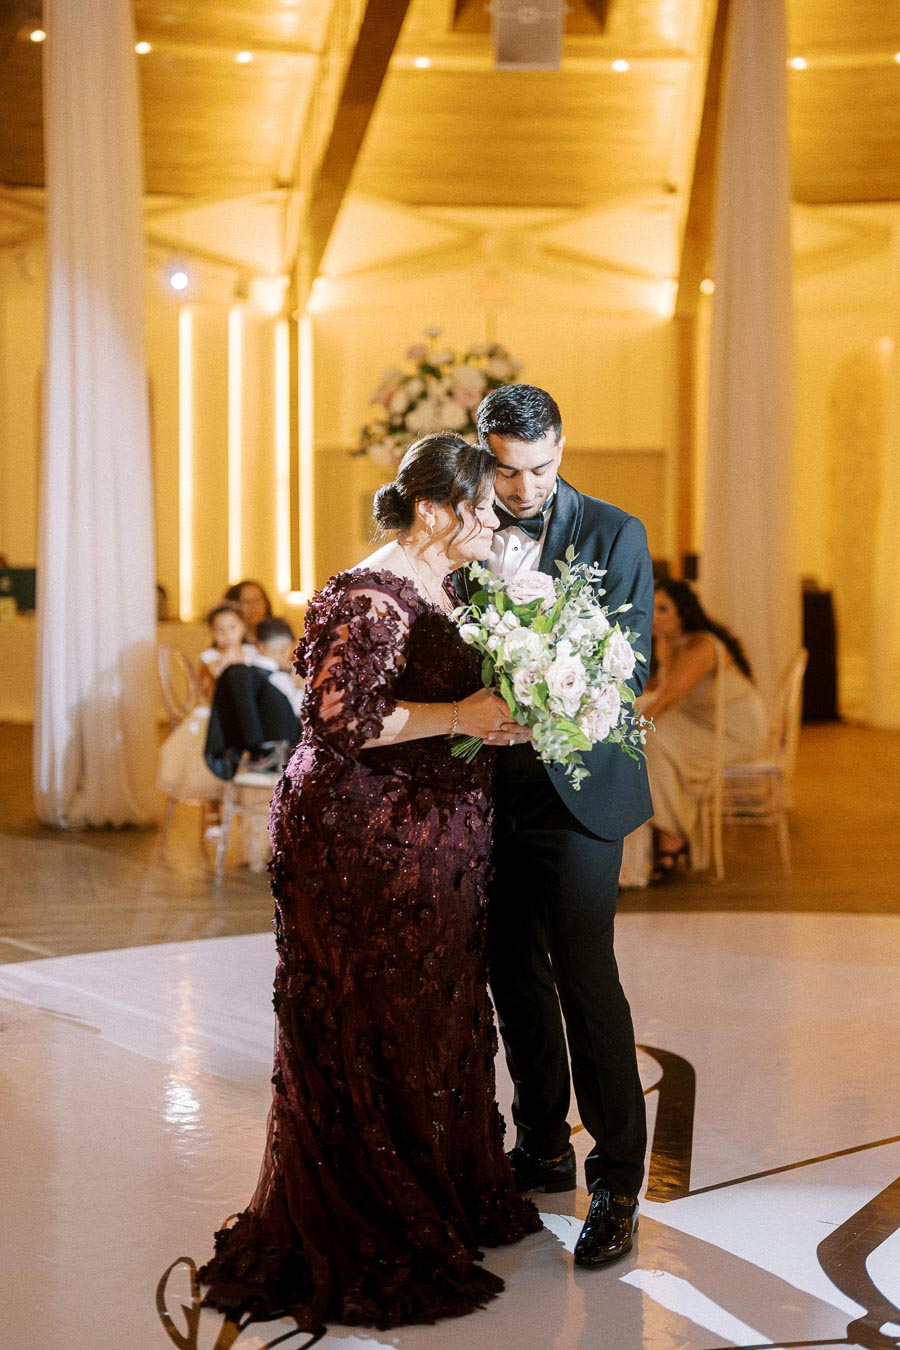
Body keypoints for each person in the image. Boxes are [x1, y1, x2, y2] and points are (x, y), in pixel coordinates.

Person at [199, 432, 540, 1331]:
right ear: (433, 511)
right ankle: (371, 1209)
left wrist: (511, 713)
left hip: (442, 831)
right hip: (364, 832)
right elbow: (344, 720)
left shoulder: (458, 582)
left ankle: (444, 1190)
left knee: (436, 1011)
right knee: (373, 1012)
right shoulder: (368, 592)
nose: (493, 516)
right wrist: (462, 713)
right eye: (477, 505)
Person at [469, 383, 653, 1269]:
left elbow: (631, 662)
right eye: (507, 471)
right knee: (512, 974)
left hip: (584, 793)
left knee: (585, 973)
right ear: (486, 459)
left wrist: (554, 691)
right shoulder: (466, 534)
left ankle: (616, 1179)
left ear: (562, 448)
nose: (525, 489)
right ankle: (541, 1146)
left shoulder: (616, 532)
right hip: (493, 793)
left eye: (540, 468)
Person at [638, 577, 767, 880]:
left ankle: (673, 834)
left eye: (664, 609)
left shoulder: (701, 646)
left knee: (652, 738)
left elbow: (666, 699)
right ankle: (669, 829)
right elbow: (657, 689)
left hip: (734, 732)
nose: (655, 616)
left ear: (684, 612)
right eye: (652, 607)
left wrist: (630, 730)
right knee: (653, 731)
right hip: (704, 723)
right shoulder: (668, 643)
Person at [224, 578, 273, 643]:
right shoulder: (227, 641)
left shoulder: (278, 633)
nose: (254, 606)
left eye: (257, 600)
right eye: (246, 601)